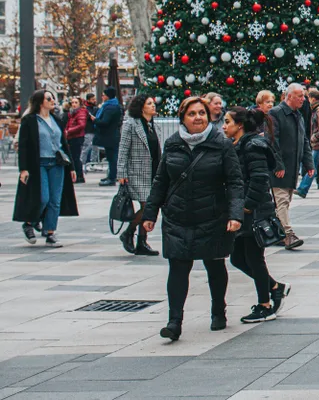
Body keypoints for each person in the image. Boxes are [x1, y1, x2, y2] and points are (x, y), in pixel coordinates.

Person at [142, 96, 245, 342]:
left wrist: (235, 214)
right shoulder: (173, 143)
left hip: (212, 215)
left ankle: (218, 310)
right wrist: (150, 212)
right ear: (183, 118)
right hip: (178, 216)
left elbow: (234, 182)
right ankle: (174, 321)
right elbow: (161, 180)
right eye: (192, 114)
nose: (197, 117)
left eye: (201, 113)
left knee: (214, 264)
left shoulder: (221, 144)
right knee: (178, 267)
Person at [222, 106, 288, 323]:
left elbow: (259, 179)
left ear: (239, 125)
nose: (224, 126)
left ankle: (265, 305)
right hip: (246, 209)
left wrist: (247, 207)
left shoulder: (252, 146)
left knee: (254, 258)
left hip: (255, 210)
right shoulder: (239, 144)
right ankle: (275, 287)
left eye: (227, 122)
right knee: (238, 258)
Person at [12, 90, 78, 247]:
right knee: (43, 197)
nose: (52, 100)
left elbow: (64, 144)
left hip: (57, 164)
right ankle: (29, 222)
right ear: (40, 102)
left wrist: (72, 168)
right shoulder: (29, 120)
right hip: (38, 164)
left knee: (55, 200)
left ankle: (50, 232)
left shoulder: (56, 119)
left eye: (53, 98)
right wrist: (23, 169)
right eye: (48, 98)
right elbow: (24, 146)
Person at [117, 94, 162, 256]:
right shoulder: (131, 124)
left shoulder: (154, 125)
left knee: (150, 207)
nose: (153, 106)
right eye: (149, 103)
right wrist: (121, 172)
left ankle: (142, 241)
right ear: (141, 107)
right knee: (147, 206)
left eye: (153, 103)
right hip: (137, 172)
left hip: (154, 172)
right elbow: (123, 149)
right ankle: (128, 232)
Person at [271, 84, 314, 249]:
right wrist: (278, 164)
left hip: (292, 166)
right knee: (281, 200)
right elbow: (272, 141)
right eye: (299, 96)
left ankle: (278, 233)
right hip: (280, 167)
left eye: (303, 96)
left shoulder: (298, 115)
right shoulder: (276, 113)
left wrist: (308, 162)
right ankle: (288, 234)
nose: (303, 99)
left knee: (285, 201)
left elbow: (304, 141)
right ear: (289, 97)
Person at [92, 86, 123, 186]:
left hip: (110, 137)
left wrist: (95, 120)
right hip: (112, 136)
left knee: (112, 158)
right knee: (111, 158)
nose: (102, 97)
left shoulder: (110, 107)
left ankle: (112, 178)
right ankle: (111, 176)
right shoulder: (115, 105)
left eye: (104, 95)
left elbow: (105, 122)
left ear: (108, 96)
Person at [63, 96, 89, 183]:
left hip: (76, 137)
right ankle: (78, 175)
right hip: (73, 136)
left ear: (80, 104)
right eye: (72, 103)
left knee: (75, 157)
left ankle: (79, 175)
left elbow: (81, 125)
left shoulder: (81, 112)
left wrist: (68, 131)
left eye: (76, 102)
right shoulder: (74, 113)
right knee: (74, 157)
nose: (74, 104)